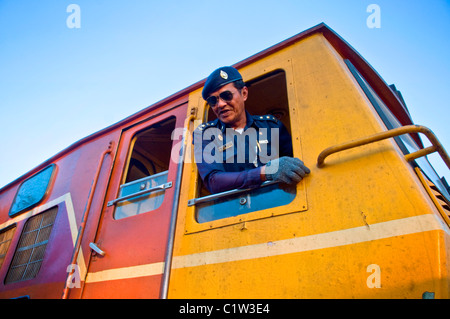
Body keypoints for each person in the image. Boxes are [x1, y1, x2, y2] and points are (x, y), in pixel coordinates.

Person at [193, 66, 310, 194]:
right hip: (232, 211)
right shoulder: (205, 135)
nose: (220, 104)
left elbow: (297, 163)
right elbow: (213, 181)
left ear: (244, 93)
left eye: (226, 96)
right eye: (213, 101)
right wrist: (266, 172)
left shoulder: (271, 126)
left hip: (281, 205)